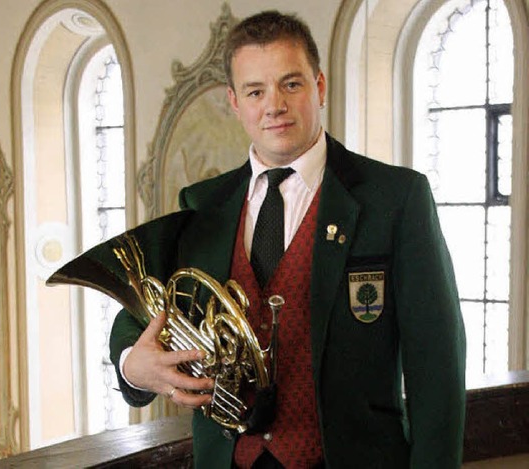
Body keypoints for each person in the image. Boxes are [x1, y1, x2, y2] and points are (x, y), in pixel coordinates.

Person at [110, 10, 466, 468]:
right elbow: (135, 318)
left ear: (319, 87)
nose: (273, 105)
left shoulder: (395, 199)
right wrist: (131, 366)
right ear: (235, 102)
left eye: (291, 84)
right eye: (256, 91)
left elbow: (436, 368)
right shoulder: (202, 206)